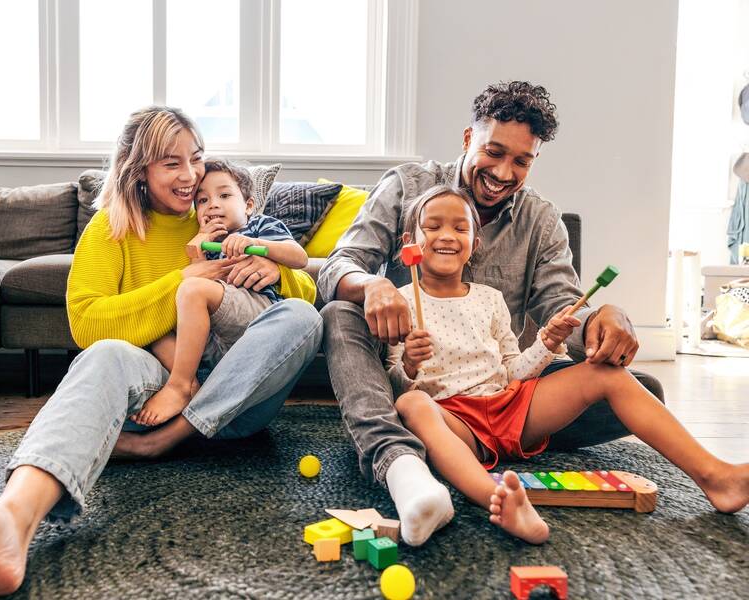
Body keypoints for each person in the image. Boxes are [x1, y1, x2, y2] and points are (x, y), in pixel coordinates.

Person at [0, 106, 322, 596]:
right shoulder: (110, 230)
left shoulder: (220, 214)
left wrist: (279, 273)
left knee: (303, 317)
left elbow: (300, 302)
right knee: (103, 354)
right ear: (137, 169)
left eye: (196, 158)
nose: (191, 177)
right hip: (156, 393)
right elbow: (86, 324)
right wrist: (181, 281)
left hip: (241, 395)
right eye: (171, 163)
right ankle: (9, 521)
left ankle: (165, 442)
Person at [317, 80, 666, 546]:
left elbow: (562, 306)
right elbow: (340, 265)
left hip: (498, 387)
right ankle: (399, 456)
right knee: (340, 311)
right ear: (468, 139)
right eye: (493, 151)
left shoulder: (541, 220)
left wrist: (602, 318)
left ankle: (469, 442)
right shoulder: (406, 185)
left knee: (644, 389)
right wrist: (375, 284)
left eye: (521, 161)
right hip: (405, 386)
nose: (503, 172)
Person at [387, 185, 748, 545]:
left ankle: (716, 476)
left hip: (508, 405)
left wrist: (547, 341)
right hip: (456, 423)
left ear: (475, 244)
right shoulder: (399, 303)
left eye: (460, 228)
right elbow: (396, 384)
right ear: (410, 242)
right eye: (433, 227)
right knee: (411, 404)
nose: (446, 236)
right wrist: (410, 363)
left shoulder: (490, 299)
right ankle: (498, 501)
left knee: (606, 374)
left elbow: (513, 370)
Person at [132, 159, 308, 426]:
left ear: (248, 205)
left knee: (192, 290)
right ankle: (193, 388)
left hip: (256, 314)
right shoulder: (204, 240)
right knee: (154, 328)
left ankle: (177, 386)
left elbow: (299, 257)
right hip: (214, 336)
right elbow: (193, 289)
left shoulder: (259, 225)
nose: (212, 204)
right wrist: (196, 254)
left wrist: (255, 244)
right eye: (202, 201)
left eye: (224, 195)